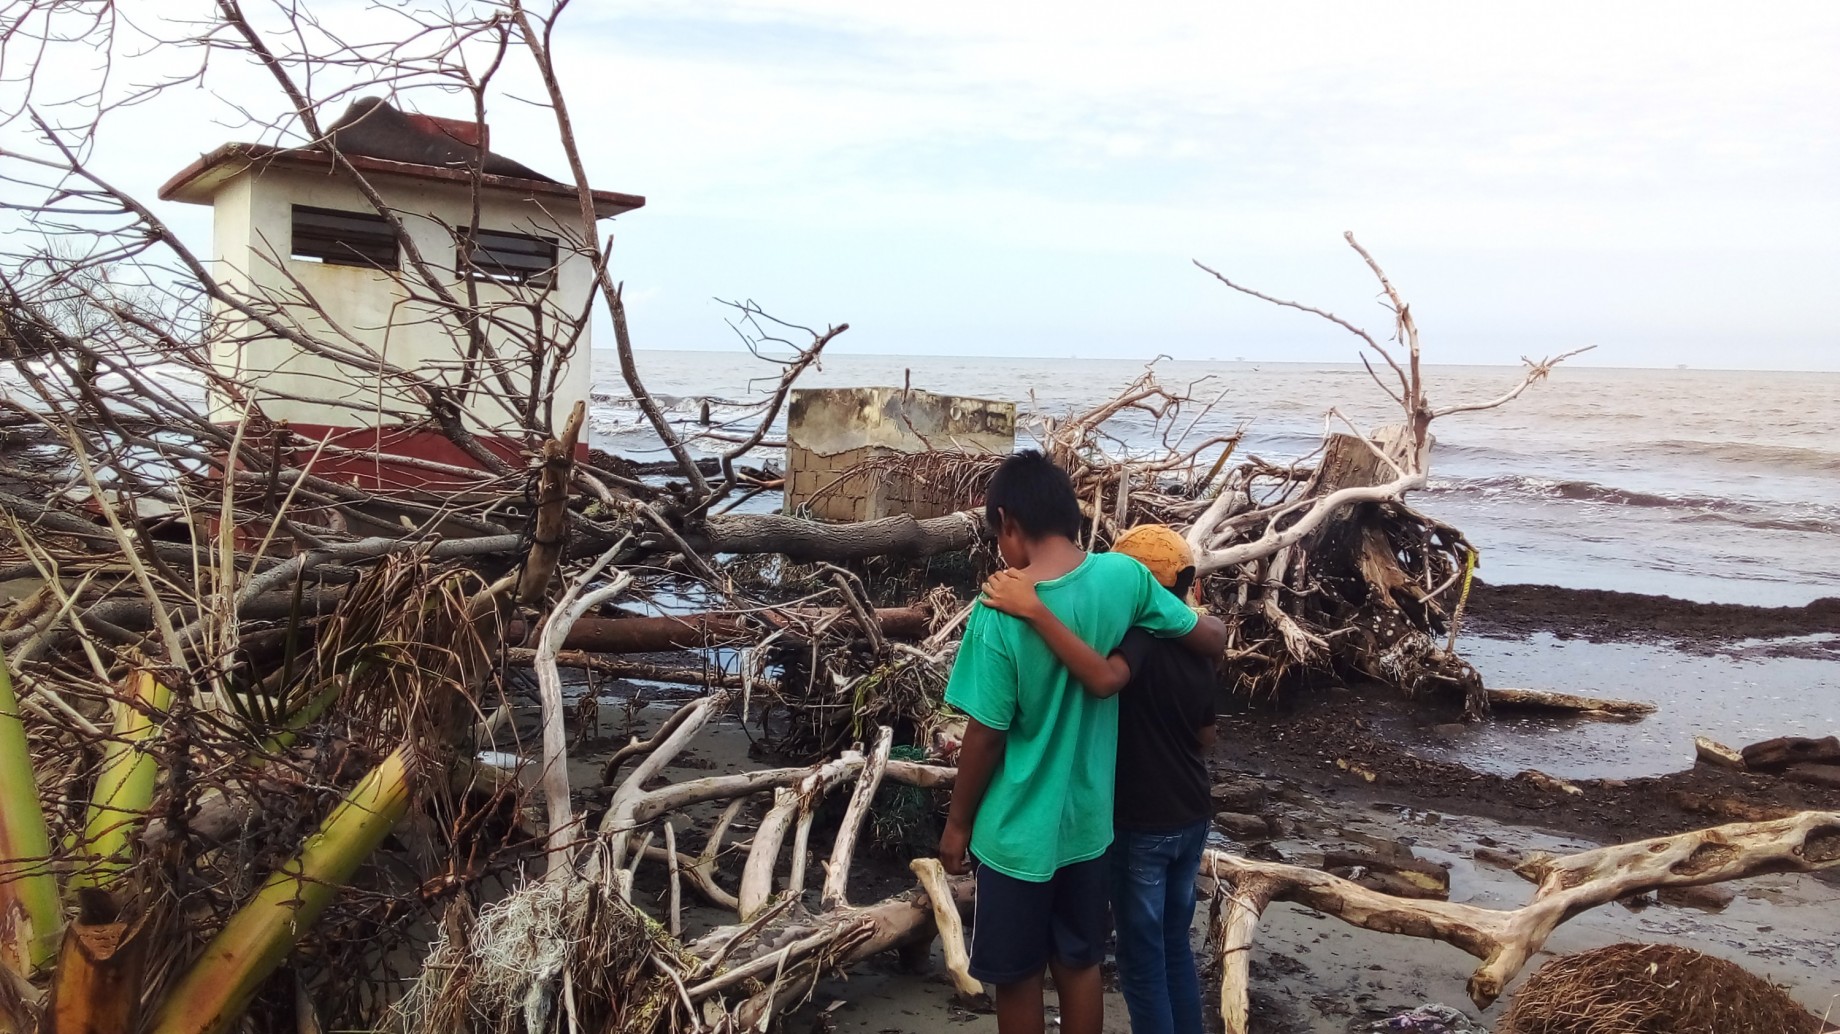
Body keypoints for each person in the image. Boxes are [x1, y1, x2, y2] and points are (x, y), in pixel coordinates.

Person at [939, 451, 1227, 1034]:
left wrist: (957, 824)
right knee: (1081, 964)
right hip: (1091, 828)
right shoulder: (1125, 579)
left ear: (1008, 524)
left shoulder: (998, 609)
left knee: (1018, 976)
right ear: (1071, 515)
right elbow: (1209, 635)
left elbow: (987, 734)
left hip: (1016, 831)